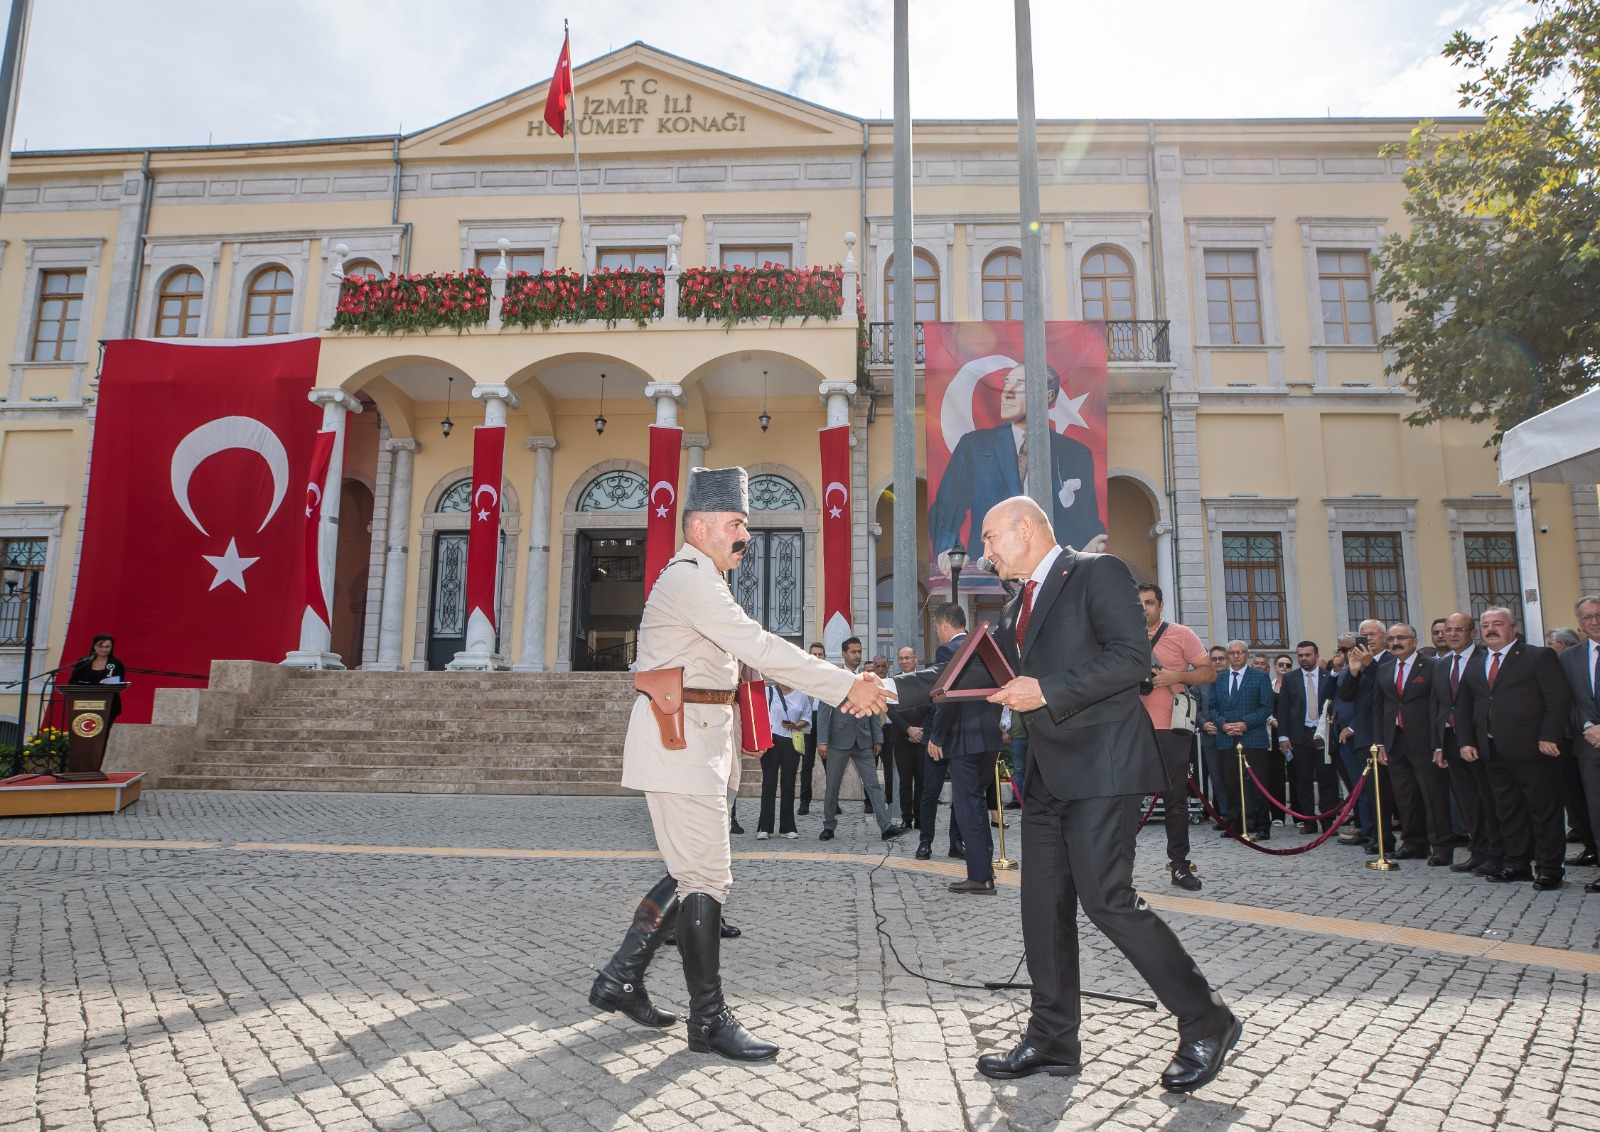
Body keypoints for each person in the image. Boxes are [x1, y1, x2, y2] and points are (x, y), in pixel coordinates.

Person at [887, 496, 1238, 1093]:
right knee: (1042, 906)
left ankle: (1207, 1019)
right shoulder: (1017, 602)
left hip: (1103, 766)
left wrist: (1044, 689)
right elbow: (970, 671)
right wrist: (881, 689)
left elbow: (1131, 662)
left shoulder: (1099, 572)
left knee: (1107, 900)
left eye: (992, 538)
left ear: (1027, 529)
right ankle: (1053, 1039)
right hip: (1049, 774)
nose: (985, 552)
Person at [588, 466, 889, 1062]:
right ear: (699, 527)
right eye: (735, 526)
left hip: (697, 742)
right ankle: (709, 1021)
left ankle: (620, 979)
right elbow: (760, 646)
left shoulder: (703, 578)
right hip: (682, 744)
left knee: (687, 871)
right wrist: (846, 685)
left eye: (746, 527)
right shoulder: (691, 578)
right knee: (705, 878)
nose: (744, 539)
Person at [927, 362, 1107, 570]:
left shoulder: (1075, 453)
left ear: (1047, 396)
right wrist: (948, 550)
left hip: (1053, 571)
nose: (1007, 394)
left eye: (1019, 386)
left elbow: (1086, 519)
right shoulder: (975, 446)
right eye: (1006, 385)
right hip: (989, 570)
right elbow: (945, 508)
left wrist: (1090, 547)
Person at [1456, 606, 1573, 890]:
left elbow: (1557, 698)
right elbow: (1464, 706)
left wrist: (1549, 736)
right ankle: (1517, 863)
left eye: (1498, 623)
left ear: (1513, 628)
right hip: (1492, 750)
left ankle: (1549, 869)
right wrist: (1467, 741)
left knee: (1543, 811)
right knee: (1507, 810)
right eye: (1485, 625)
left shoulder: (1537, 656)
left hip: (1535, 749)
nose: (1490, 629)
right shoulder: (1476, 662)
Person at [1137, 583, 1215, 891]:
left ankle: (1179, 867)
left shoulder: (1181, 634)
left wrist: (1176, 676)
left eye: (1149, 602)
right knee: (1127, 800)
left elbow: (1208, 672)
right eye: (1138, 603)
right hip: (1133, 728)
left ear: (1161, 604)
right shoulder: (1121, 636)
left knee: (1176, 801)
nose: (1143, 607)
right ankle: (1117, 869)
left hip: (1172, 727)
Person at [1349, 623, 1449, 862]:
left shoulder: (1433, 666)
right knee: (1405, 796)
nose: (1396, 642)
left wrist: (1439, 744)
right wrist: (1381, 742)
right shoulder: (1385, 668)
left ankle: (1442, 846)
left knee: (1432, 795)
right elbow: (1379, 707)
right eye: (1392, 638)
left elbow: (1440, 705)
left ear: (1414, 641)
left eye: (1401, 637)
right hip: (1395, 741)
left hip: (1425, 741)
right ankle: (1414, 843)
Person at [925, 602, 1004, 894]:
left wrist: (937, 736)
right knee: (978, 804)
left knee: (968, 808)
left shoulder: (949, 652)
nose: (937, 633)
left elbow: (947, 698)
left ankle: (980, 877)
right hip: (988, 738)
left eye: (936, 627)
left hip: (963, 740)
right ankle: (984, 869)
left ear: (945, 625)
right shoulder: (985, 647)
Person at [1432, 612, 1503, 875]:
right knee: (1467, 801)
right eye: (1447, 630)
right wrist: (1437, 745)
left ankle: (1497, 853)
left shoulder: (1485, 659)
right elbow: (1438, 706)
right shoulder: (1441, 664)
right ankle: (1478, 851)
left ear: (1473, 633)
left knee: (1489, 799)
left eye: (1458, 630)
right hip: (1451, 739)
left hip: (1480, 740)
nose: (1451, 634)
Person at [816, 637, 906, 843]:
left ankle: (885, 827)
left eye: (859, 651)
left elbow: (874, 709)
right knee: (832, 786)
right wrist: (822, 741)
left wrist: (877, 738)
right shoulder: (834, 677)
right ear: (844, 654)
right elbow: (823, 711)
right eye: (853, 652)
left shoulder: (868, 678)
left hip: (864, 740)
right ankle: (829, 826)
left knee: (873, 784)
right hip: (838, 740)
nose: (857, 655)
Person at [1337, 621, 1397, 855]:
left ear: (1384, 637)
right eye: (1364, 635)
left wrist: (1368, 663)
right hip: (1364, 734)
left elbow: (1387, 685)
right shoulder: (1359, 662)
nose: (1368, 639)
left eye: (1373, 634)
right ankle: (1378, 837)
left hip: (1386, 733)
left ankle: (1397, 838)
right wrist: (1352, 671)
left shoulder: (1392, 660)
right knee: (1372, 790)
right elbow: (1345, 695)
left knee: (1387, 790)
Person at [1209, 641, 1277, 840]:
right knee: (1231, 783)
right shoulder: (1220, 679)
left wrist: (1245, 723)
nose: (1236, 656)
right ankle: (1235, 824)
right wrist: (1222, 724)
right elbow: (1213, 707)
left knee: (1258, 784)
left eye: (1240, 653)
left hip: (1253, 737)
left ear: (1247, 655)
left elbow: (1266, 707)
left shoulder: (1260, 676)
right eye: (1232, 653)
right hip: (1227, 738)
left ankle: (1263, 825)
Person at [1558, 596, 1600, 893]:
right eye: (1587, 618)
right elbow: (1567, 700)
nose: (1594, 621)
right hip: (1589, 744)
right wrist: (1586, 726)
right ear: (1580, 624)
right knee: (1596, 808)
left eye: (1598, 615)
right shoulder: (1569, 657)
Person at [1545, 626, 1595, 864]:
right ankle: (1590, 844)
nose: (1547, 648)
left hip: (1581, 737)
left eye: (1550, 643)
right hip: (1571, 741)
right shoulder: (1564, 663)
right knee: (1577, 797)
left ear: (1562, 645)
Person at [1277, 641, 1336, 835]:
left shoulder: (1329, 677)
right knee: (1303, 780)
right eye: (1300, 655)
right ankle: (1308, 820)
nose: (1303, 659)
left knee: (1327, 779)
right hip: (1299, 736)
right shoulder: (1291, 678)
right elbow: (1283, 708)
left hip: (1323, 736)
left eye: (1307, 655)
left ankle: (1328, 821)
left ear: (1316, 656)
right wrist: (1283, 736)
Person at [757, 681, 810, 840]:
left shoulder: (801, 695)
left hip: (791, 741)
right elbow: (760, 715)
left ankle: (787, 827)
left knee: (788, 783)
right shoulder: (768, 692)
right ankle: (765, 827)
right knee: (769, 783)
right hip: (771, 741)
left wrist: (795, 725)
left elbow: (807, 717)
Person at [887, 645, 929, 829]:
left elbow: (932, 707)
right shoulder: (892, 682)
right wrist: (908, 729)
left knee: (922, 780)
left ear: (916, 659)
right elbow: (890, 710)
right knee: (904, 781)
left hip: (922, 736)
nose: (904, 661)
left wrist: (920, 730)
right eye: (901, 658)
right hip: (901, 737)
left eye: (907, 658)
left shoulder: (925, 680)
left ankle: (920, 817)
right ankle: (906, 817)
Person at [1196, 646, 1230, 821]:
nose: (1218, 662)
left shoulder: (1233, 680)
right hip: (1210, 736)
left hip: (1232, 735)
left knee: (1232, 777)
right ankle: (1223, 817)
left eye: (1221, 658)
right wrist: (1204, 724)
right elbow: (1196, 708)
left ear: (1228, 660)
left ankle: (1238, 816)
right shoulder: (1202, 682)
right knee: (1217, 779)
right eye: (1214, 659)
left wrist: (1226, 725)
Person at [68, 633, 128, 731]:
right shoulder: (84, 662)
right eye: (100, 646)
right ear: (94, 646)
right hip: (84, 703)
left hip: (108, 704)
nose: (104, 649)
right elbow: (73, 682)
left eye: (107, 647)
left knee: (102, 733)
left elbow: (119, 682)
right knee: (83, 732)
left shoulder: (116, 663)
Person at [796, 641, 826, 816]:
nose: (817, 657)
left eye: (820, 654)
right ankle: (804, 802)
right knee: (806, 765)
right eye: (813, 654)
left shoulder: (830, 675)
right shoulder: (801, 676)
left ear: (824, 657)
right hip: (806, 723)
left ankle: (833, 802)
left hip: (824, 722)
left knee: (830, 765)